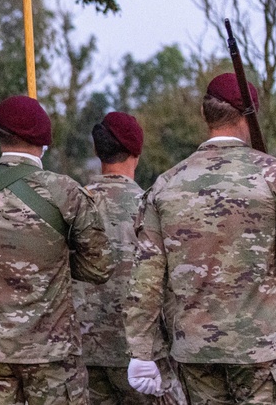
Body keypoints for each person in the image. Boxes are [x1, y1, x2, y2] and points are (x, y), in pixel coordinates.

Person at [124, 73, 276, 405]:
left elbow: (146, 279)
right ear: (251, 114)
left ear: (204, 115)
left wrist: (141, 351)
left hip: (196, 352)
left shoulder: (166, 185)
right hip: (260, 349)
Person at [0, 95, 115, 405]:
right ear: (44, 142)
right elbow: (100, 267)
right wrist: (55, 262)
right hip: (50, 349)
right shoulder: (65, 192)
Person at [73, 112, 185, 405]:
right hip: (142, 354)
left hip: (84, 352)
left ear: (97, 150)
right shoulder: (151, 207)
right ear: (137, 152)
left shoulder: (73, 205)